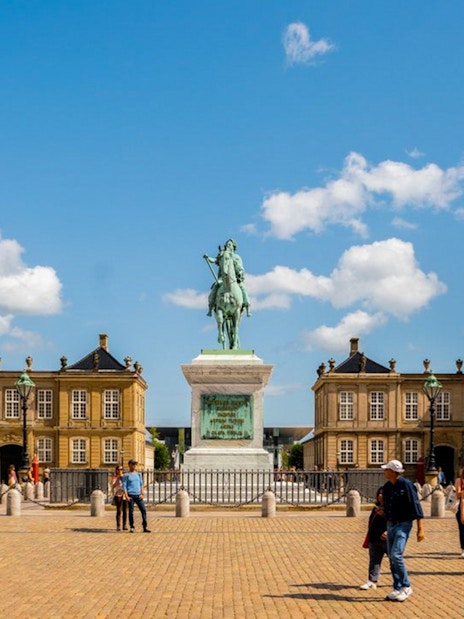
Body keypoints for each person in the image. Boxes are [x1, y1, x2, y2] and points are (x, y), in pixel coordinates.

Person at [381, 459, 424, 602]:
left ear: (393, 472)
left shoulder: (407, 485)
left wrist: (420, 529)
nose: (384, 472)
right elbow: (387, 508)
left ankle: (406, 586)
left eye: (386, 469)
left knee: (396, 554)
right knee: (392, 558)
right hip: (390, 524)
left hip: (403, 524)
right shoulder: (387, 487)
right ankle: (397, 587)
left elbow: (416, 507)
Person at [204, 239, 251, 317]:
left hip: (235, 279)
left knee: (242, 288)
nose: (228, 246)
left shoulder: (236, 257)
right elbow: (215, 260)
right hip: (222, 279)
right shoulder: (222, 255)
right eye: (227, 244)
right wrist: (208, 258)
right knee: (215, 286)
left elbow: (240, 267)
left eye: (229, 244)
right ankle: (211, 307)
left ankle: (247, 306)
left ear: (233, 247)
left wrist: (240, 272)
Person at [359, 487, 387, 590]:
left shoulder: (390, 509)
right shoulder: (376, 507)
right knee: (374, 561)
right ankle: (372, 581)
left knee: (395, 562)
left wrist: (387, 531)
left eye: (383, 494)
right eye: (379, 494)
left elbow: (394, 522)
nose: (380, 496)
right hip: (374, 539)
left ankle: (400, 581)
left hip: (386, 540)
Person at [122, 459, 150, 533]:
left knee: (143, 510)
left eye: (135, 464)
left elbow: (141, 485)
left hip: (138, 495)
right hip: (130, 495)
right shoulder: (126, 475)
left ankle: (145, 526)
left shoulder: (138, 474)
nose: (134, 466)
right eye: (133, 464)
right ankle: (132, 526)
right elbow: (124, 486)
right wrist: (126, 496)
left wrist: (142, 493)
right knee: (131, 512)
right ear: (129, 465)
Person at [111, 465, 128, 531]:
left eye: (121, 469)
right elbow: (113, 486)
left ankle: (124, 525)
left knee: (125, 511)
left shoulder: (125, 476)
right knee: (119, 511)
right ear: (116, 470)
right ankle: (118, 525)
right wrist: (118, 478)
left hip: (124, 494)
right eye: (119, 469)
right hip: (118, 495)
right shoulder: (114, 477)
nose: (120, 471)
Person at [454, 467, 464, 557]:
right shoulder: (459, 481)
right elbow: (458, 495)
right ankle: (463, 549)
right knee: (462, 529)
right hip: (461, 507)